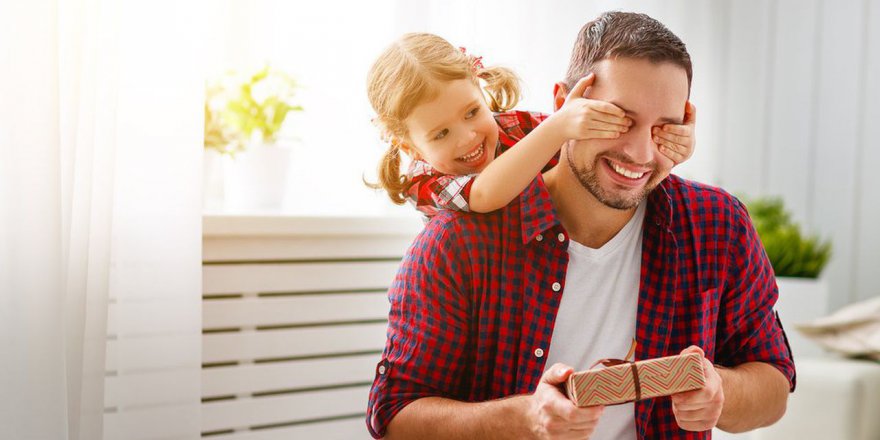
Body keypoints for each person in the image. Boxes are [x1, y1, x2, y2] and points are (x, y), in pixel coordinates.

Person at [367, 11, 795, 440]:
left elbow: (774, 385)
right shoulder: (455, 244)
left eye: (663, 128)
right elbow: (395, 418)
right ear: (564, 105)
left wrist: (723, 390)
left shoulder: (716, 224)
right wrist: (527, 418)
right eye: (616, 119)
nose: (641, 153)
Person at [366, 32, 695, 218]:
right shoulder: (424, 180)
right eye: (441, 134)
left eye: (471, 112)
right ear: (410, 146)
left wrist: (666, 143)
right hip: (486, 278)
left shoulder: (515, 128)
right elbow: (482, 195)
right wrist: (557, 127)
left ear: (480, 87)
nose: (468, 137)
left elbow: (587, 152)